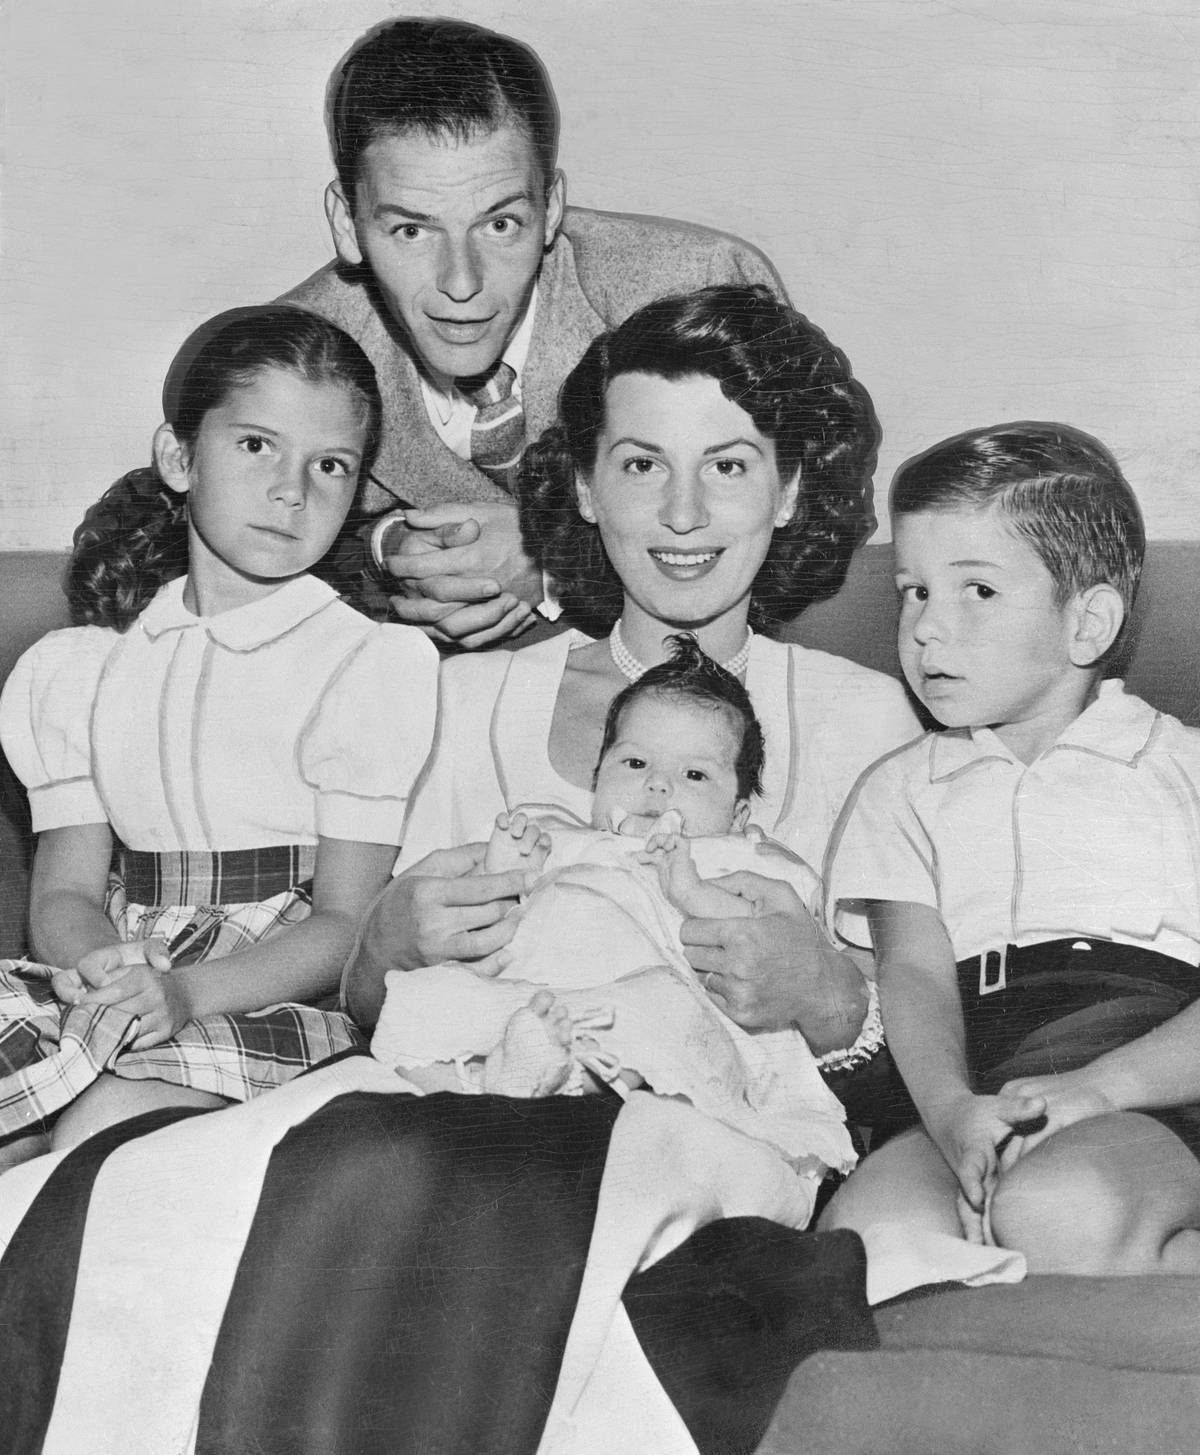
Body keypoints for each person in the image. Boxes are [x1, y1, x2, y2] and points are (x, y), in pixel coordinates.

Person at [344, 285, 923, 1078]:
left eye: (727, 465)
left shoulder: (861, 717)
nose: (682, 513)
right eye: (643, 464)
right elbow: (378, 1008)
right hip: (465, 1122)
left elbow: (934, 1039)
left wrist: (827, 996)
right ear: (586, 485)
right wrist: (381, 946)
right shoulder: (467, 701)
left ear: (787, 491)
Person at [0, 306, 438, 1162]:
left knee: (101, 1129)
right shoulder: (83, 669)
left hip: (270, 991)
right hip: (115, 968)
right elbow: (62, 894)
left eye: (331, 465)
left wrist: (186, 993)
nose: (291, 489)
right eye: (255, 445)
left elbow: (347, 922)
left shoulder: (365, 663)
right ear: (178, 456)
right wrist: (106, 971)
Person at [820, 421, 1200, 1276]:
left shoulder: (1183, 767)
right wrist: (954, 1113)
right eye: (913, 592)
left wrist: (1103, 1089)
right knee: (863, 1238)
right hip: (981, 1074)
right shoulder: (902, 788)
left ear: (1089, 621)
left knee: (1055, 1212)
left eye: (977, 592)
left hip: (1159, 1075)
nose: (926, 629)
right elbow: (913, 974)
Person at [280, 16, 789, 644]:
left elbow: (807, 523)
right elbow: (245, 540)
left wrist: (554, 557)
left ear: (550, 209)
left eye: (500, 225)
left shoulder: (696, 289)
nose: (461, 283)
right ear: (346, 222)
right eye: (411, 230)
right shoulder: (303, 353)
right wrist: (393, 552)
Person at [369, 635, 855, 1180]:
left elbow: (765, 939)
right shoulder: (560, 836)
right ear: (598, 779)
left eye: (694, 775)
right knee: (437, 1008)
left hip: (651, 992)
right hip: (534, 994)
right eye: (635, 761)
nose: (657, 785)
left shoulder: (737, 859)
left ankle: (556, 1081)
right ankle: (486, 1081)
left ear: (739, 813)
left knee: (650, 1027)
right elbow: (489, 913)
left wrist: (689, 886)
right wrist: (506, 863)